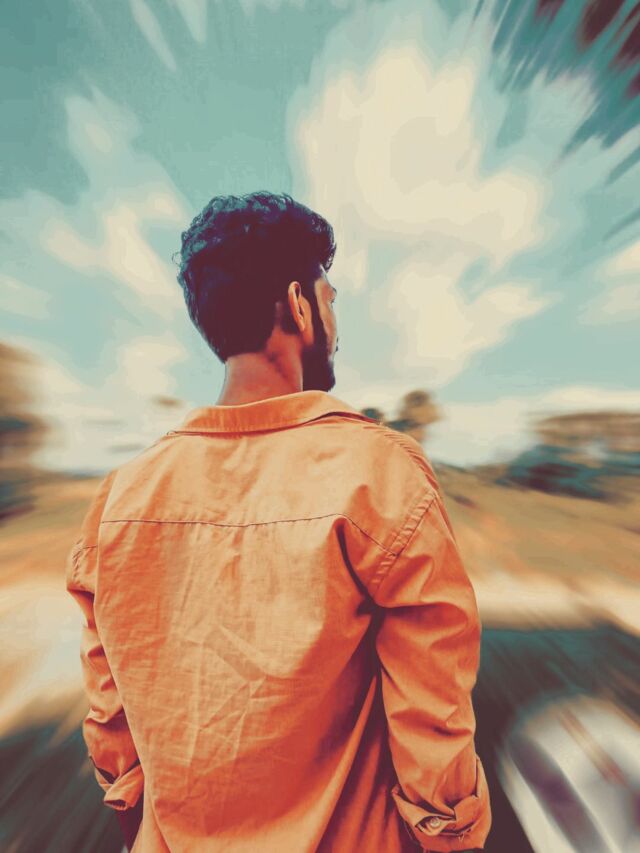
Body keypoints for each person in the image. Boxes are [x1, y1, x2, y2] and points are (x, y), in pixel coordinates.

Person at [65, 191, 491, 852]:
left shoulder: (120, 498)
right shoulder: (380, 474)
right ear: (298, 305)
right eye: (329, 298)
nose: (335, 322)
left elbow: (112, 731)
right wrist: (452, 836)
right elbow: (432, 716)